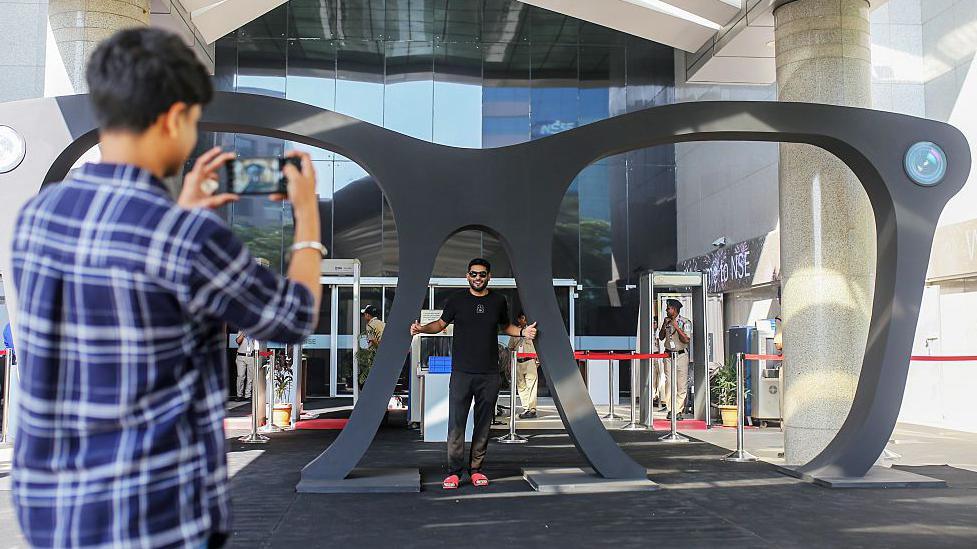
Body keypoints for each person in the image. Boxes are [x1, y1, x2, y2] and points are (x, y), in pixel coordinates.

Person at [9, 28, 323, 548]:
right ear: (174, 117)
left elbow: (128, 281)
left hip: (54, 512)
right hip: (153, 514)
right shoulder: (186, 239)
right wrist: (307, 216)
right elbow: (292, 316)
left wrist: (182, 216)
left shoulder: (37, 219)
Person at [410, 258, 537, 490]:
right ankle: (454, 472)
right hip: (461, 373)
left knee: (483, 425)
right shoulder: (457, 300)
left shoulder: (499, 300)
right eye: (473, 274)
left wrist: (522, 331)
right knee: (456, 424)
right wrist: (420, 329)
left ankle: (476, 470)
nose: (477, 278)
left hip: (489, 374)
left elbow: (505, 326)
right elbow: (439, 324)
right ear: (467, 276)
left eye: (482, 274)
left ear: (489, 276)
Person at [658, 299, 692, 420]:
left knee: (681, 384)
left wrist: (677, 327)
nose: (667, 310)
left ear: (675, 309)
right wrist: (663, 326)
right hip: (668, 355)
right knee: (669, 383)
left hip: (681, 355)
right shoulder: (666, 322)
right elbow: (661, 338)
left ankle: (678, 410)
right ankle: (671, 409)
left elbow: (687, 340)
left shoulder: (685, 322)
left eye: (669, 308)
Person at [507, 312, 539, 419]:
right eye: (522, 318)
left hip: (530, 361)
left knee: (532, 385)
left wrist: (537, 361)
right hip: (518, 362)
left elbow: (539, 347)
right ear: (519, 319)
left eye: (525, 318)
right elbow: (510, 348)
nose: (524, 320)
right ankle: (526, 409)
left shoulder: (532, 331)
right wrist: (510, 363)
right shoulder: (515, 332)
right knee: (521, 386)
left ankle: (532, 409)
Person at [235, 330, 258, 401]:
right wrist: (243, 333)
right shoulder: (241, 330)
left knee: (250, 377)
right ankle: (239, 395)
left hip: (251, 356)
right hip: (241, 356)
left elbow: (256, 345)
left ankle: (248, 395)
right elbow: (238, 341)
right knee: (240, 376)